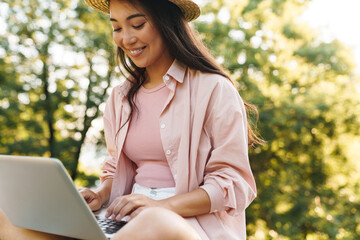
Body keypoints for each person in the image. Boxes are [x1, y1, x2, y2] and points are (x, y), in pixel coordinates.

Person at [0, 0, 263, 239]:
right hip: (127, 220)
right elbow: (116, 168)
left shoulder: (214, 89)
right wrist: (100, 195)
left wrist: (160, 207)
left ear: (166, 23)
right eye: (116, 28)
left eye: (137, 24)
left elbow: (234, 183)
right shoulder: (120, 97)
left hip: (187, 225)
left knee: (155, 221)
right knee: (6, 219)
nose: (126, 38)